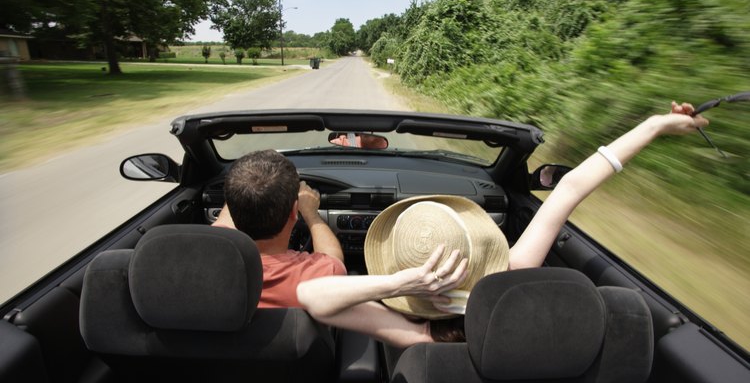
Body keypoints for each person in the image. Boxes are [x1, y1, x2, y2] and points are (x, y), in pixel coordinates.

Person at [297, 102, 709, 348]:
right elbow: (570, 188)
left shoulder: (417, 334)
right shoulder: (514, 278)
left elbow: (312, 296)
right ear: (480, 242)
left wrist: (403, 283)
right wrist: (654, 125)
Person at [212, 149, 346, 308]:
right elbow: (334, 258)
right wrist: (311, 214)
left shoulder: (209, 262)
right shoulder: (323, 275)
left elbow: (224, 220)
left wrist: (245, 190)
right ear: (294, 211)